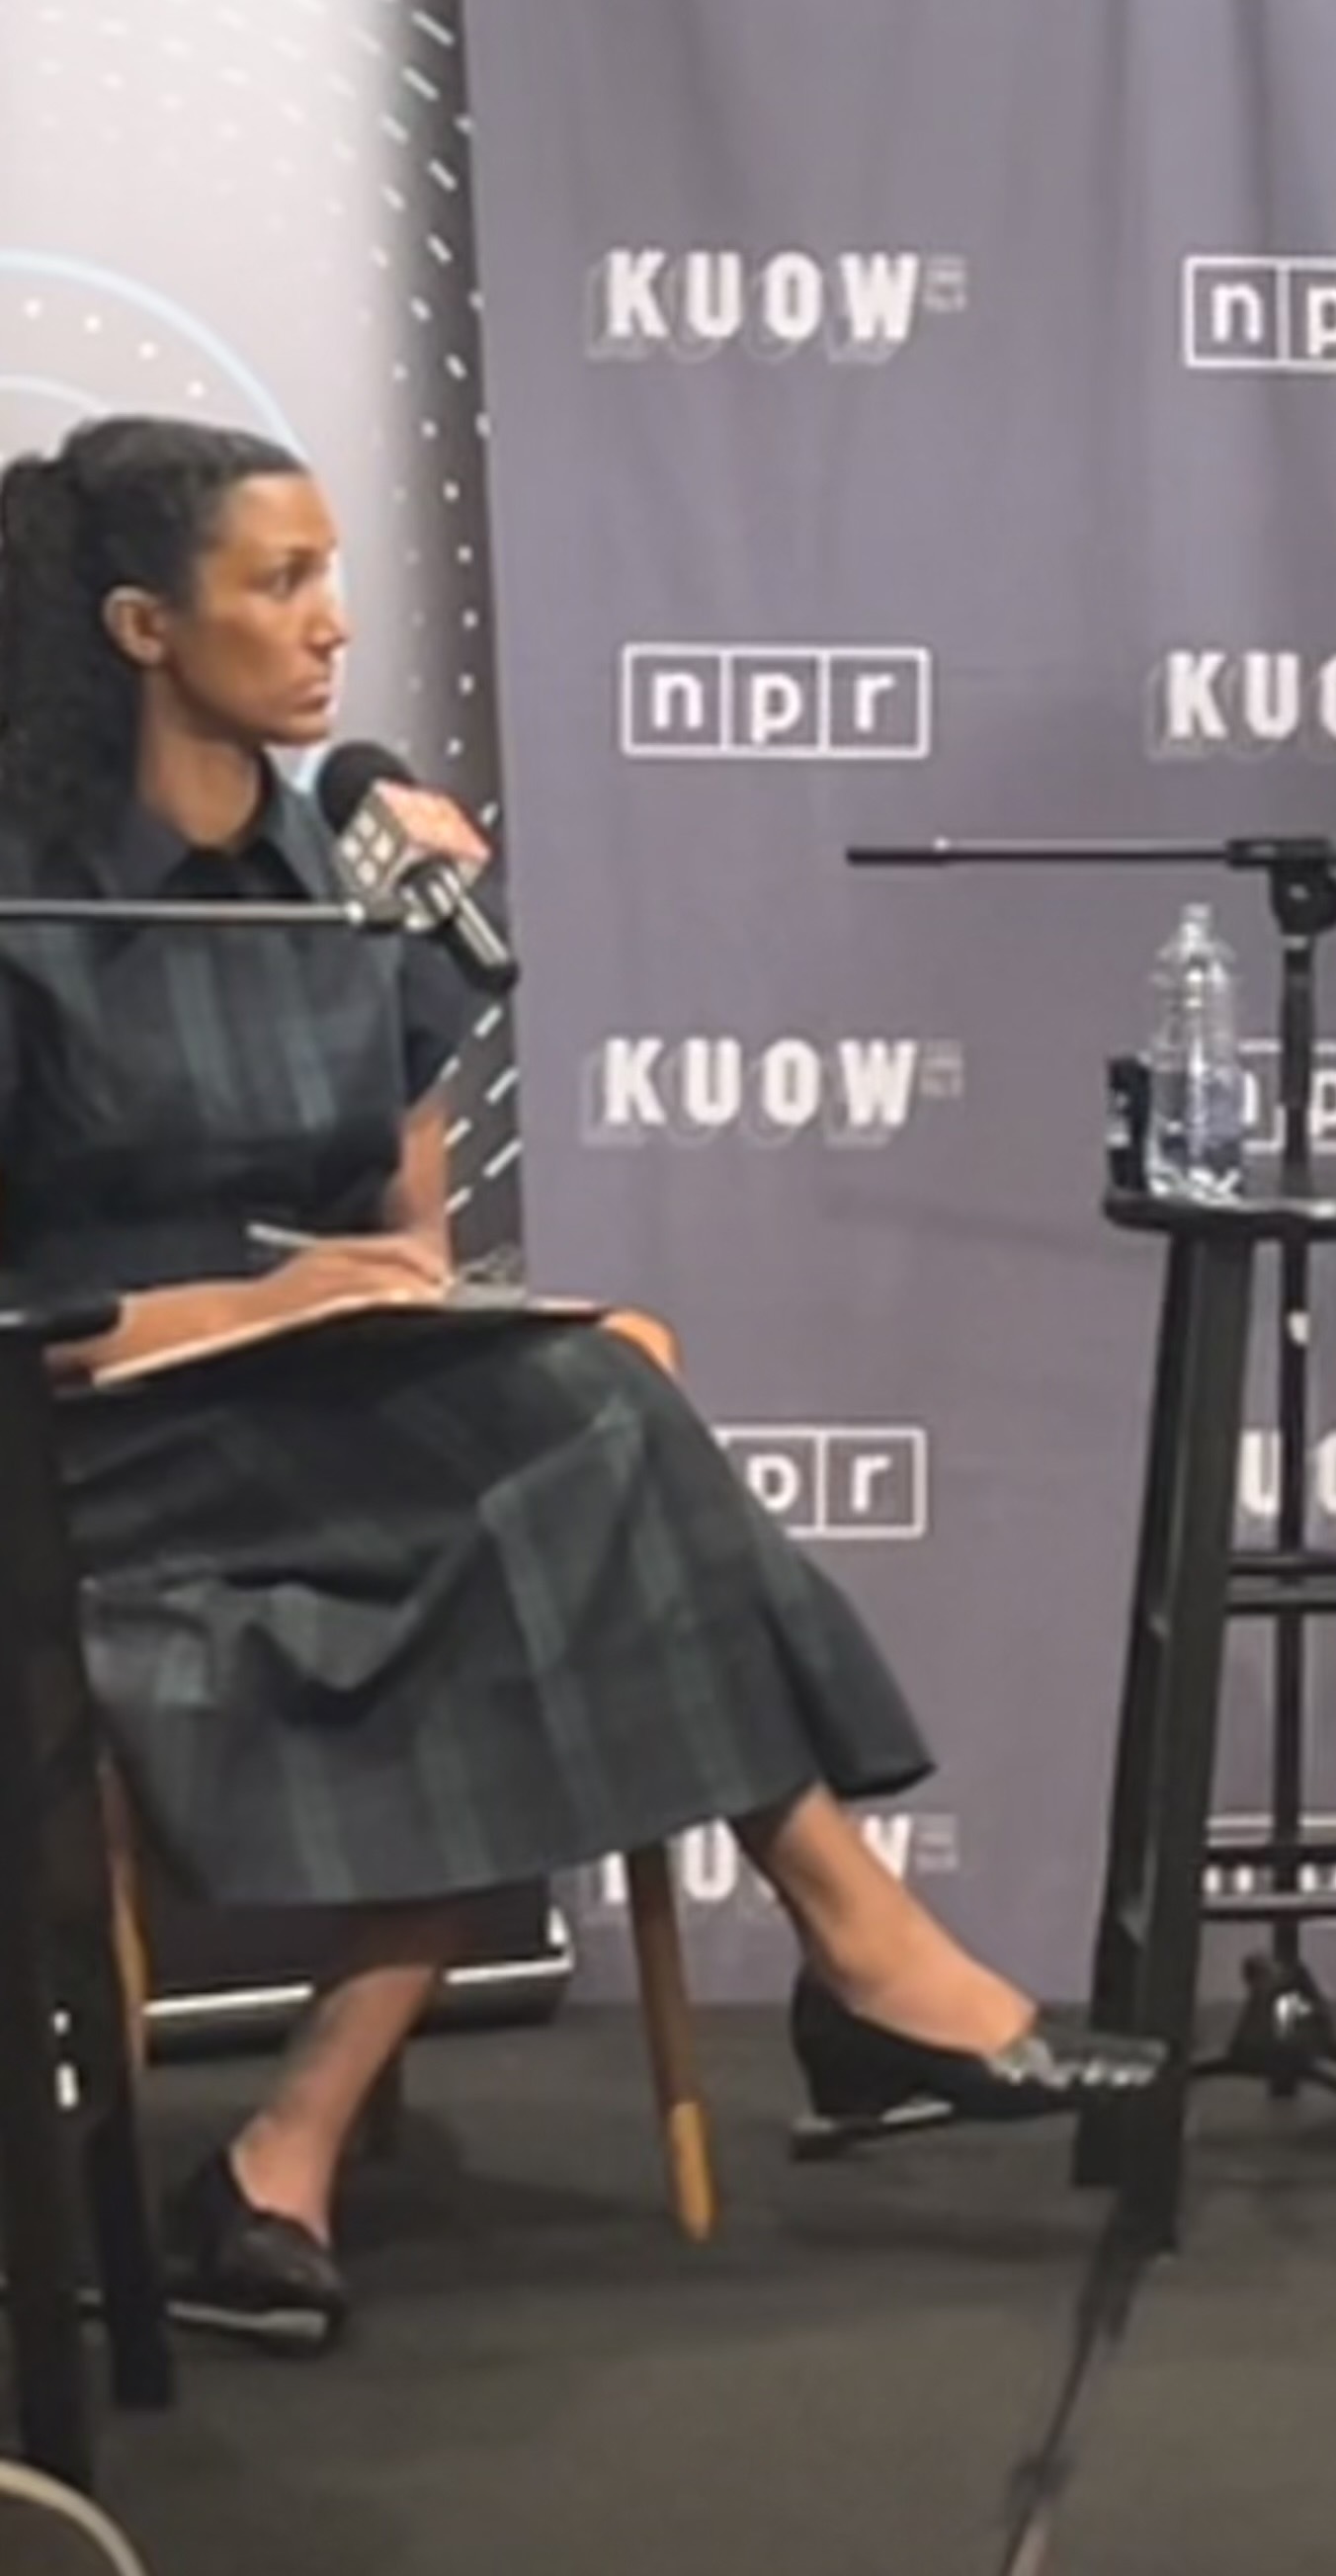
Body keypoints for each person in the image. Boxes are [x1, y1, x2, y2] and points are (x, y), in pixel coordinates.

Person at [0, 415, 1161, 2339]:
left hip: (308, 1422)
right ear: (139, 623)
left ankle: (281, 2166)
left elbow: (404, 1201)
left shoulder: (344, 866)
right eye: (276, 585)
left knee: (579, 1436)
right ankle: (867, 1962)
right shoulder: (32, 908)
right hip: (90, 1440)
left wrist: (449, 1331)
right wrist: (276, 1321)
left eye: (330, 575)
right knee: (594, 1470)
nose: (329, 626)